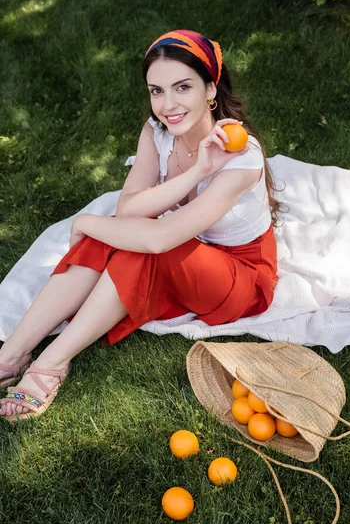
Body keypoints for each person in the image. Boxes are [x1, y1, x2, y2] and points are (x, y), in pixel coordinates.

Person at [0, 29, 280, 422]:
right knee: (116, 233)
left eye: (183, 87)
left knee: (131, 240)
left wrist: (87, 221)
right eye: (156, 91)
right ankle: (11, 354)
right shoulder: (157, 131)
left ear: (211, 88)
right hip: (186, 249)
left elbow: (160, 236)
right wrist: (195, 171)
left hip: (239, 277)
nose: (168, 105)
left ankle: (51, 364)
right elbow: (131, 209)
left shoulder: (241, 156)